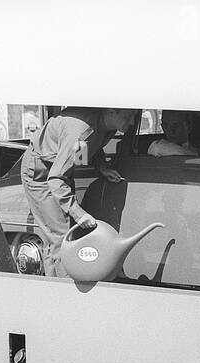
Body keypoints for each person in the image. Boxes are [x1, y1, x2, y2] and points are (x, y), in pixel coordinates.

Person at [20, 107, 133, 276]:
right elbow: (56, 179)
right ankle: (65, 288)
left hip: (59, 171)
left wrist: (101, 166)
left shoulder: (106, 127)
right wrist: (79, 214)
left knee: (65, 233)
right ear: (111, 112)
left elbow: (86, 148)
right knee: (61, 237)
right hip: (41, 174)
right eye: (128, 116)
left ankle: (60, 281)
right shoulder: (80, 132)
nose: (132, 122)